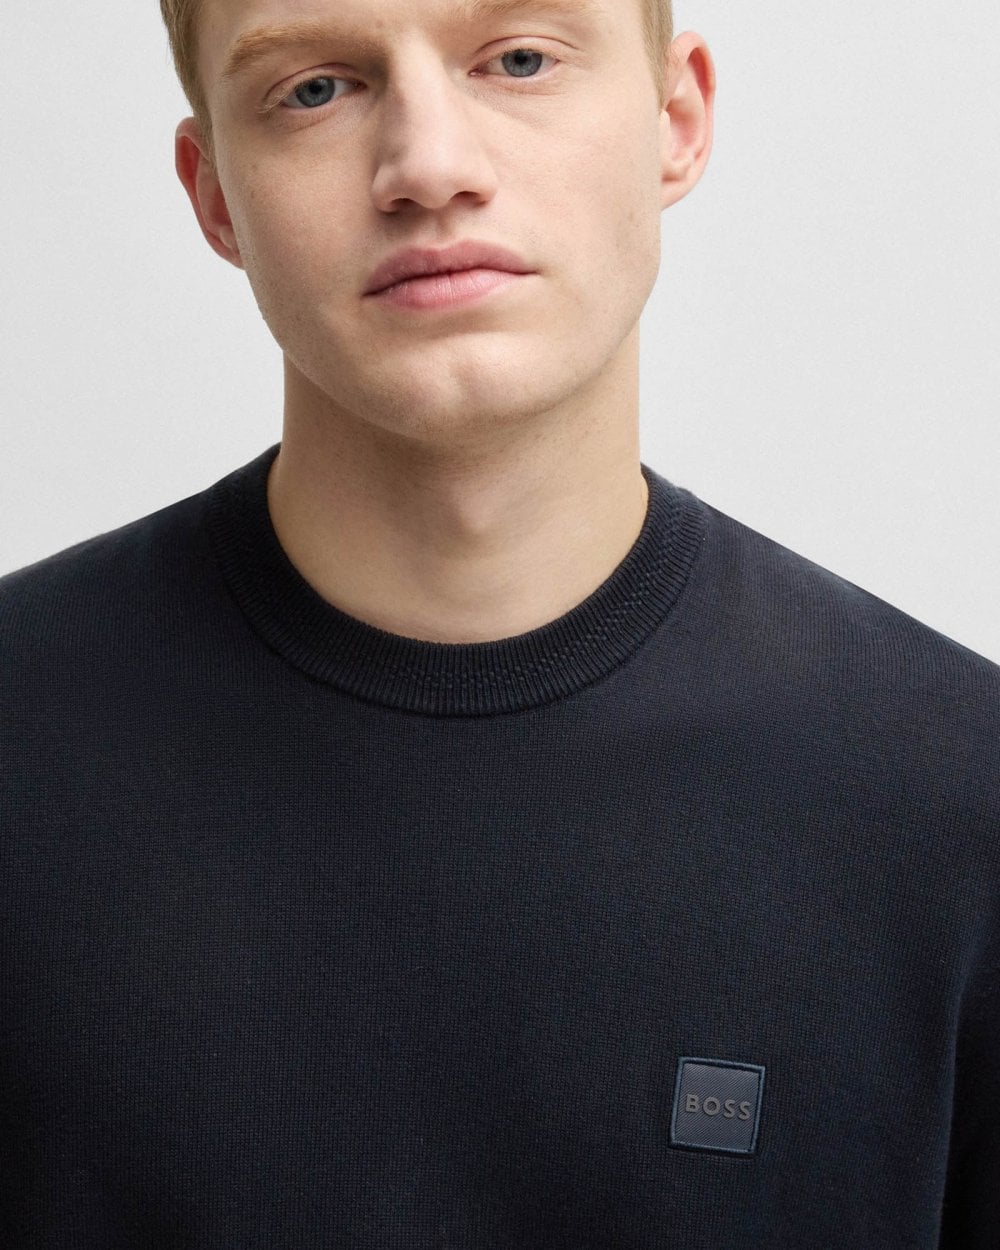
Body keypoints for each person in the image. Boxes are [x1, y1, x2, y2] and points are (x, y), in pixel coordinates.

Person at [0, 0, 996, 1244]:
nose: (428, 166)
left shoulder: (959, 806)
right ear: (214, 198)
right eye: (315, 89)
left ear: (676, 117)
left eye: (519, 59)